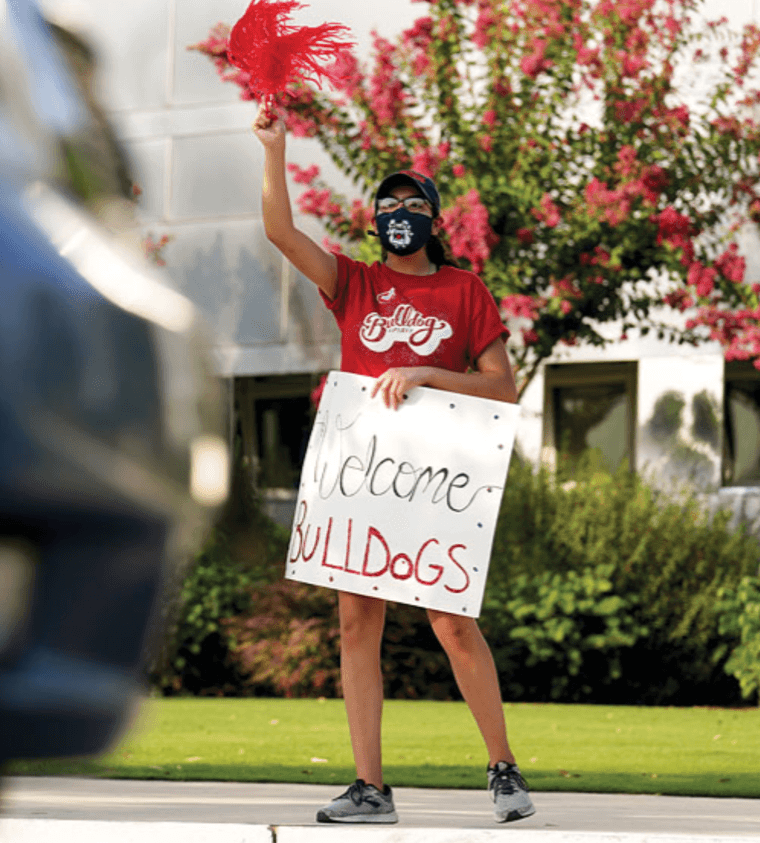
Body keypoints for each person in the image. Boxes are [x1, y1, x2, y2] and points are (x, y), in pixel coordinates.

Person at [252, 104, 536, 825]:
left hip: (435, 479)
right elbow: (281, 232)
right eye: (387, 206)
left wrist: (427, 374)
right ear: (374, 220)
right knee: (356, 625)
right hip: (363, 477)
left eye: (412, 205)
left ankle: (503, 768)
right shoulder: (354, 283)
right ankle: (370, 789)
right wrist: (274, 149)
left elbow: (502, 387)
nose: (398, 215)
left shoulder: (464, 290)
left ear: (434, 220)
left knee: (452, 623)